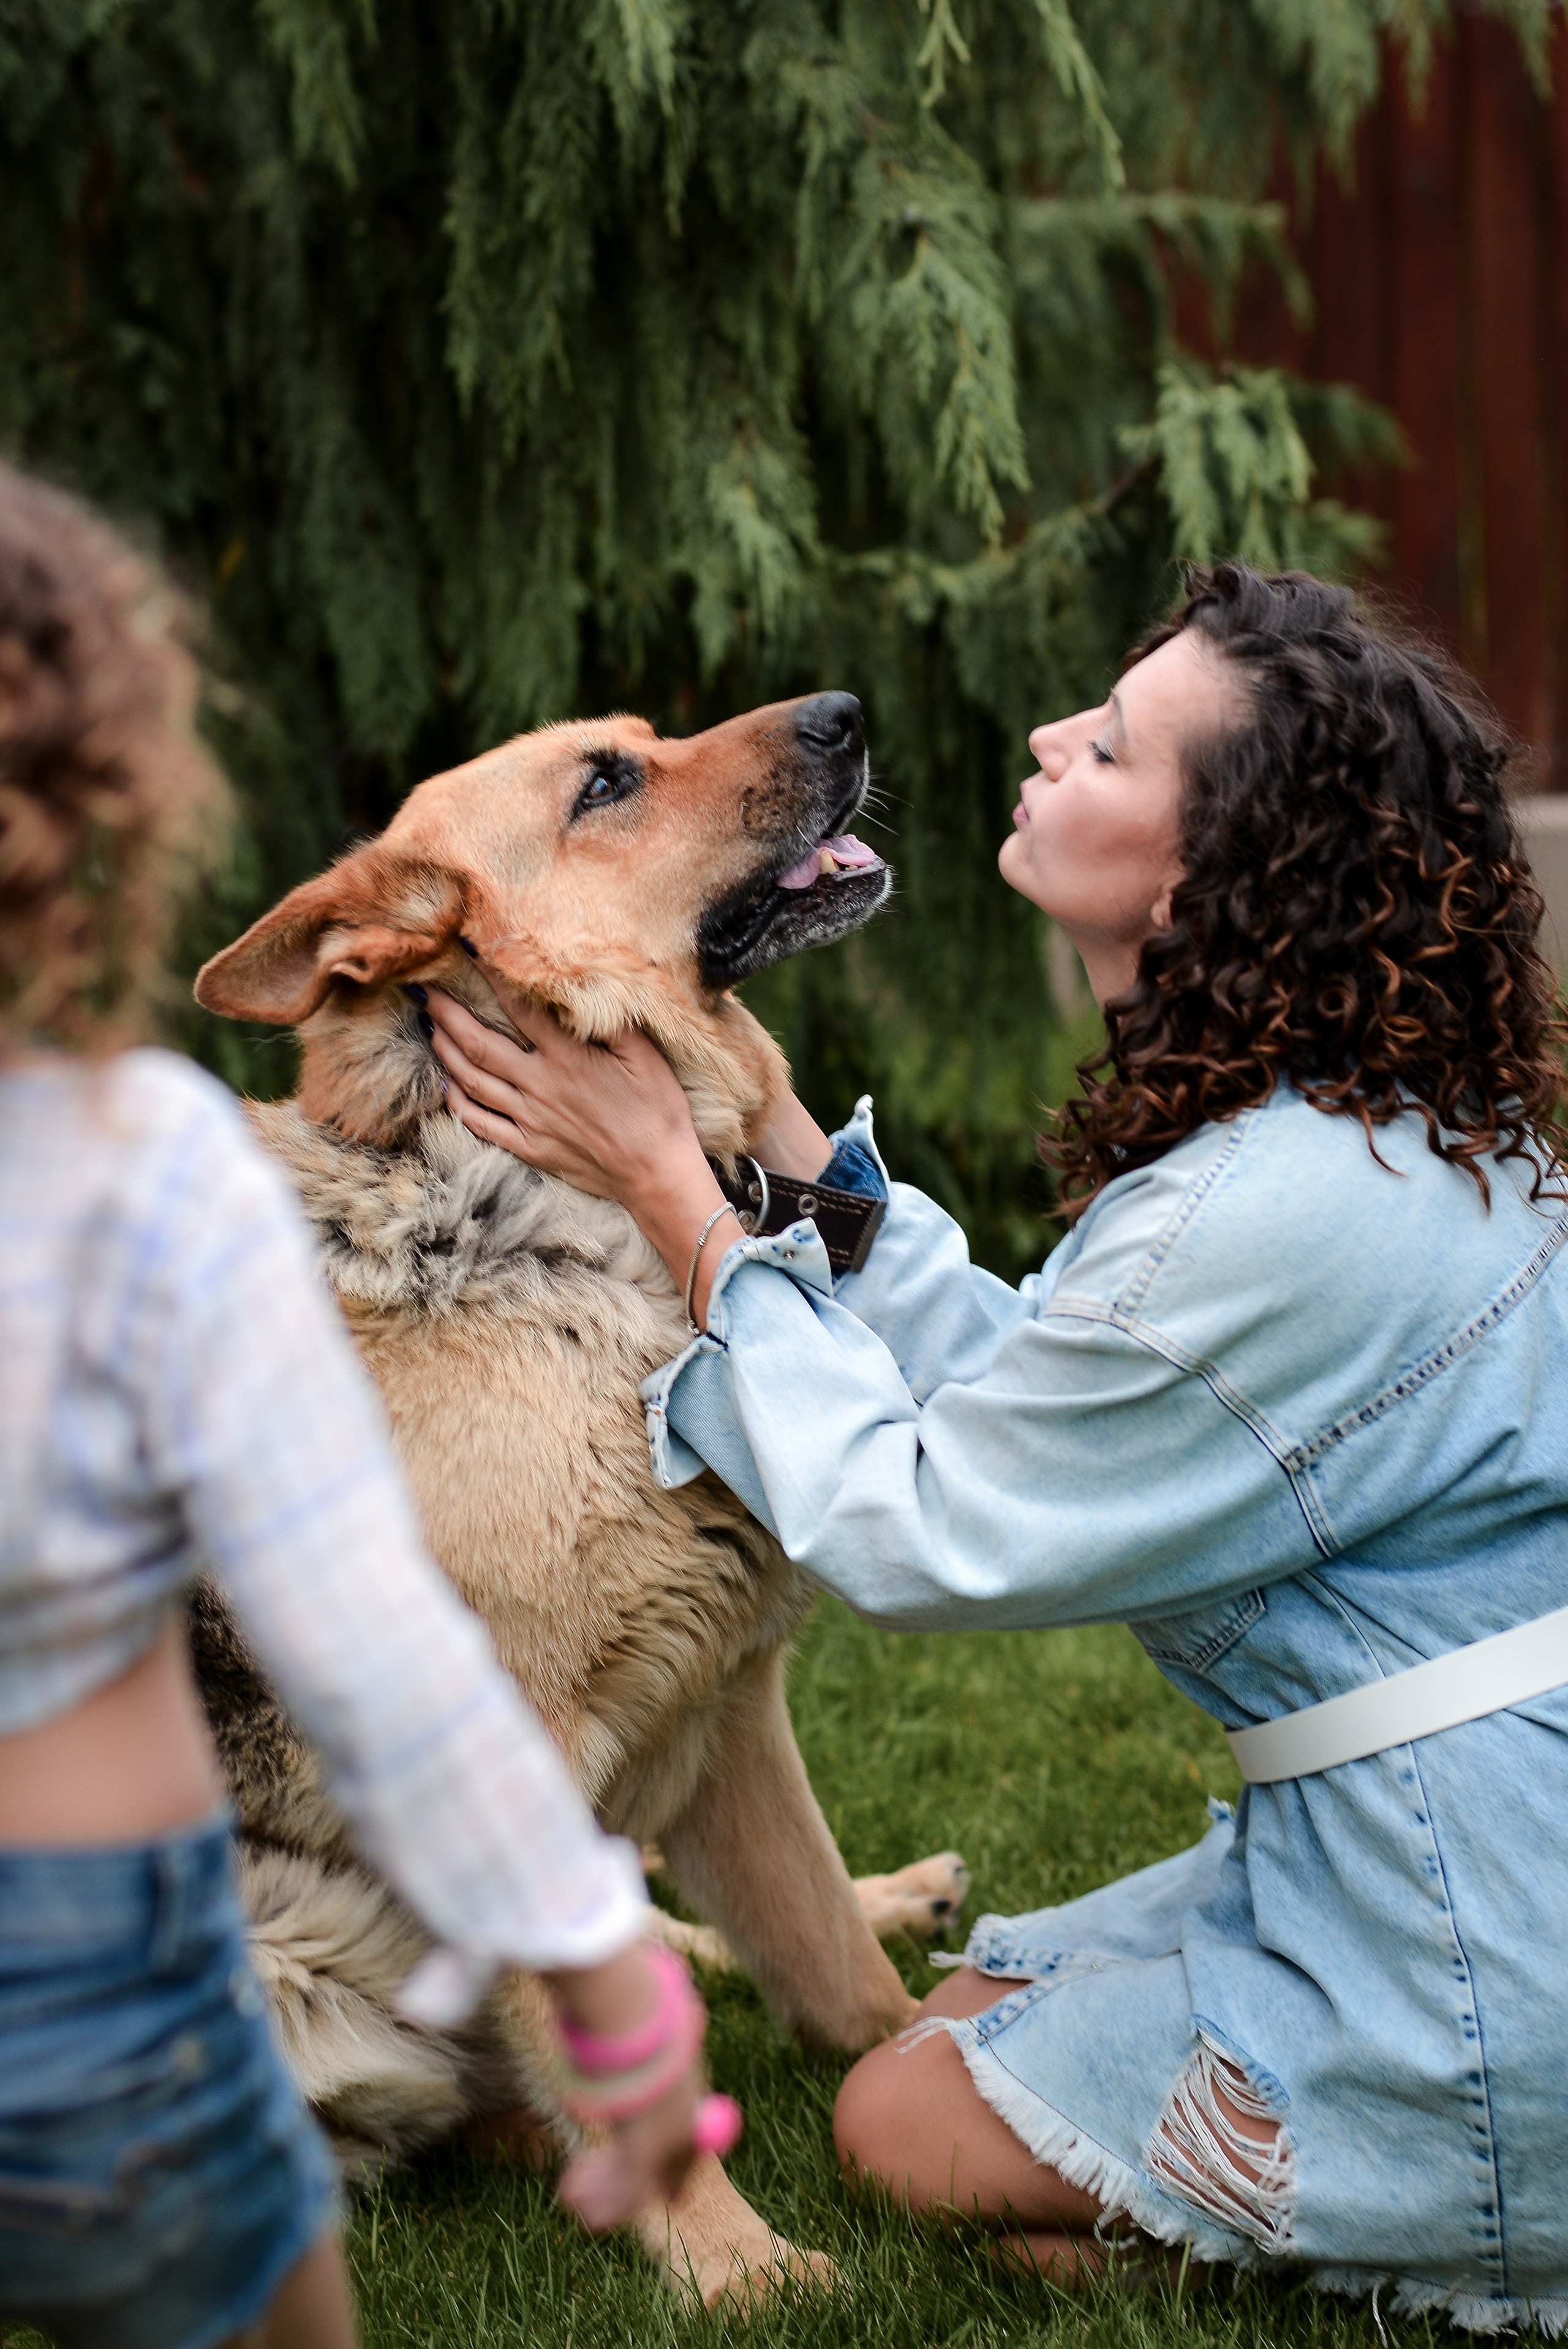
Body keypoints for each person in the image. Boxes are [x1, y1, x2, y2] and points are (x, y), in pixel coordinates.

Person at [425, 564, 1568, 2331]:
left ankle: (1424, 2208)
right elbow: (1049, 1374)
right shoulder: (1319, 1137)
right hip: (1449, 1838)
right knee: (961, 2018)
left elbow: (926, 1523)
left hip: (1488, 1931)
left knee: (896, 2113)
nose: (1043, 738)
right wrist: (789, 1145)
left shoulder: (1267, 1217)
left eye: (1106, 745)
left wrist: (684, 1201)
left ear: (1212, 872)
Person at [0, 461, 726, 2349]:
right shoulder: (155, 1170)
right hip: (115, 1981)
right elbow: (386, 1664)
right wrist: (611, 1989)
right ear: (121, 803)